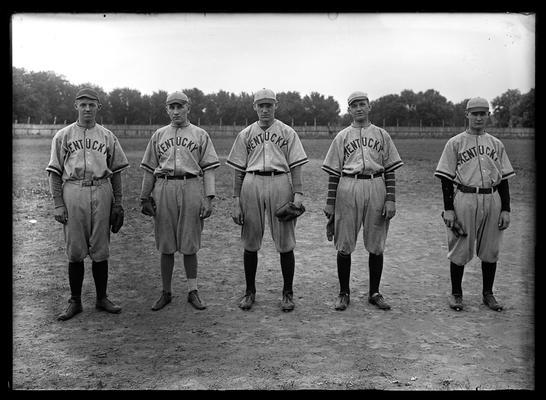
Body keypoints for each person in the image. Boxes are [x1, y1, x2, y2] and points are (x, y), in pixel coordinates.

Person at [46, 88, 129, 321]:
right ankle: (75, 301)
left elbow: (117, 173)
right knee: (75, 250)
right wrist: (58, 204)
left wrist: (118, 203)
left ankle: (102, 298)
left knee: (101, 248)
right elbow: (54, 173)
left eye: (92, 104)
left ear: (98, 107)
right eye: (83, 104)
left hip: (102, 190)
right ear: (76, 106)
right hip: (73, 190)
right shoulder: (63, 135)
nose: (87, 108)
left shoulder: (107, 136)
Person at [226, 88, 308, 312]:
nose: (264, 109)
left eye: (269, 105)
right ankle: (250, 291)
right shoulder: (245, 134)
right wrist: (236, 200)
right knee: (250, 240)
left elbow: (296, 166)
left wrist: (298, 194)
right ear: (254, 107)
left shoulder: (287, 131)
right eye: (260, 105)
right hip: (251, 183)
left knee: (285, 241)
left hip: (280, 181)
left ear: (276, 106)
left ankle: (287, 293)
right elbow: (239, 170)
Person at [322, 91, 403, 311]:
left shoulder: (381, 135)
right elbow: (333, 173)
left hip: (376, 184)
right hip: (348, 186)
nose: (359, 108)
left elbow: (390, 171)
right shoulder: (342, 136)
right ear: (349, 110)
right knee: (345, 243)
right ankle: (343, 292)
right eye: (354, 105)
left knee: (376, 244)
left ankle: (374, 292)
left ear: (369, 107)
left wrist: (391, 199)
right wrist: (330, 202)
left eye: (362, 104)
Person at [139, 91, 220, 312]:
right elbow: (148, 169)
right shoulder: (159, 135)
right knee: (166, 244)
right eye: (171, 107)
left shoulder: (200, 134)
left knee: (189, 243)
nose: (175, 111)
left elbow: (210, 169)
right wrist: (144, 197)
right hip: (163, 186)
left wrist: (209, 199)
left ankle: (192, 290)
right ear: (167, 109)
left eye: (180, 106)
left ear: (188, 107)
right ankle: (166, 292)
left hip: (191, 184)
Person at [435, 97, 515, 312]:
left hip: (492, 198)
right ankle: (456, 293)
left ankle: (488, 294)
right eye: (475, 113)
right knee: (460, 246)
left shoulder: (496, 144)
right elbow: (445, 178)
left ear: (488, 115)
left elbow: (504, 178)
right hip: (465, 197)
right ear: (467, 115)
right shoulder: (455, 142)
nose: (479, 117)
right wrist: (449, 209)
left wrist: (506, 208)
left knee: (491, 249)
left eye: (483, 113)